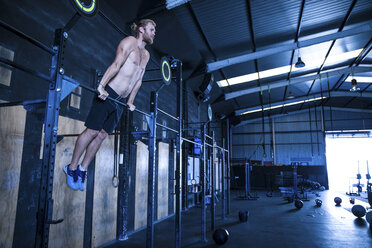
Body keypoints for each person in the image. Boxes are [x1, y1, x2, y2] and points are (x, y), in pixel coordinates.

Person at [64, 19, 156, 191]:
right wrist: (101, 85)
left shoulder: (146, 55)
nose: (154, 33)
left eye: (154, 31)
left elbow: (139, 80)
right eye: (151, 29)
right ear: (142, 30)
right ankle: (71, 168)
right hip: (110, 93)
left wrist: (130, 101)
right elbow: (116, 64)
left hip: (120, 102)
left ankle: (83, 169)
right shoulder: (129, 42)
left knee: (101, 135)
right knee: (91, 131)